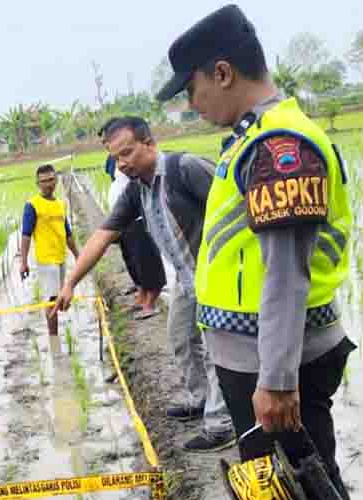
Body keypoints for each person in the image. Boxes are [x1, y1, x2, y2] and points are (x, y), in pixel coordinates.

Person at [156, 5, 355, 497]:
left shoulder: (279, 147)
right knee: (276, 485)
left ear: (222, 73)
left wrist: (279, 379)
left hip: (277, 366)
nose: (191, 103)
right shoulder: (252, 140)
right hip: (259, 360)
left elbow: (286, 274)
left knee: (302, 485)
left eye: (191, 89)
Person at [51, 116, 234, 452]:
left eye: (128, 153)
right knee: (180, 337)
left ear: (150, 143)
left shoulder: (186, 169)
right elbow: (102, 236)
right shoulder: (137, 191)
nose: (122, 164)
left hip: (216, 278)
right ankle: (200, 398)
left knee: (214, 351)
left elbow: (235, 208)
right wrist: (70, 283)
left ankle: (221, 425)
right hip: (186, 278)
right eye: (116, 158)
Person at [20, 164, 80, 338]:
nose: (48, 184)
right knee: (52, 300)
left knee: (60, 298)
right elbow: (26, 235)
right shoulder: (32, 205)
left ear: (56, 180)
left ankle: (55, 332)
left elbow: (67, 232)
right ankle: (54, 339)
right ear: (37, 183)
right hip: (46, 260)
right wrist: (23, 262)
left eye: (51, 179)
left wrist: (78, 255)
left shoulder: (61, 204)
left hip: (61, 257)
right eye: (44, 181)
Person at [105, 153, 167, 319]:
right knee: (134, 263)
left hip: (139, 222)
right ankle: (141, 298)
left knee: (147, 262)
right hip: (125, 225)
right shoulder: (114, 162)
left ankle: (150, 304)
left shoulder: (135, 171)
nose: (120, 164)